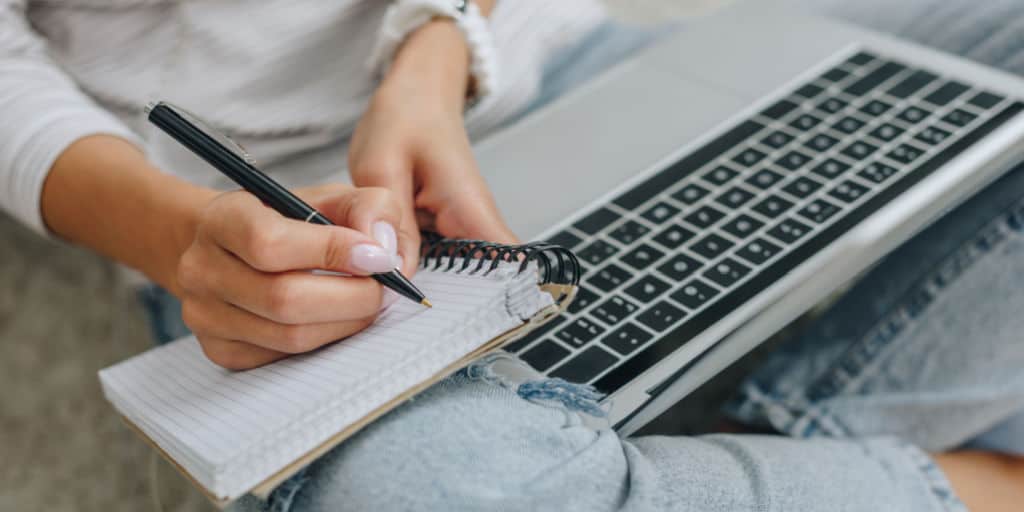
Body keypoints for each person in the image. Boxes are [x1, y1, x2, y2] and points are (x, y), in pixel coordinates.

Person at [1, 0, 1022, 510]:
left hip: (561, 62)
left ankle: (773, 437)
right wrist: (183, 235)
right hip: (259, 225)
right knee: (441, 491)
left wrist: (436, 54)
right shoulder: (222, 231)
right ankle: (971, 474)